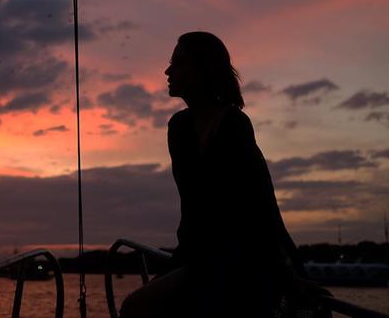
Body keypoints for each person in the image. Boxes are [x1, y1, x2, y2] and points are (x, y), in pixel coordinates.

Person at [119, 32, 330, 317]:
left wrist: (287, 272)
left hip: (236, 260)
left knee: (135, 308)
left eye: (178, 63)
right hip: (198, 258)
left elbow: (258, 204)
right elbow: (195, 206)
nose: (167, 71)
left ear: (202, 70)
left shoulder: (233, 125)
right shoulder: (179, 127)